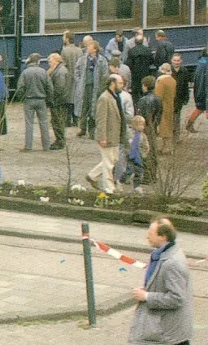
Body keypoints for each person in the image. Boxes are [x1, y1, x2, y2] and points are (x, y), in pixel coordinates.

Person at [128, 217, 193, 345]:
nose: (147, 236)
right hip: (163, 330)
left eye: (150, 234)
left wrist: (146, 296)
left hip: (168, 334)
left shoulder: (172, 263)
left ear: (162, 237)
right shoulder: (161, 255)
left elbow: (177, 298)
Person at [86, 74, 125, 194]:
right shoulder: (104, 98)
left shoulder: (115, 97)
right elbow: (101, 119)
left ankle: (92, 175)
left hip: (115, 135)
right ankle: (109, 187)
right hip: (107, 135)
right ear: (112, 83)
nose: (122, 86)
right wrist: (102, 137)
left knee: (113, 159)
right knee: (108, 163)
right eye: (120, 83)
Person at [17, 53, 52, 151]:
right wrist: (48, 99)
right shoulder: (43, 72)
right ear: (38, 61)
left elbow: (20, 87)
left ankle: (28, 146)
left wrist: (22, 98)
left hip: (29, 100)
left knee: (29, 123)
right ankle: (46, 146)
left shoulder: (25, 72)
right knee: (44, 123)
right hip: (41, 100)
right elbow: (49, 87)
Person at [74, 40, 109, 138]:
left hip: (96, 88)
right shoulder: (82, 59)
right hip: (84, 87)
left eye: (90, 46)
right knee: (83, 108)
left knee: (94, 108)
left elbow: (105, 74)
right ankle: (82, 128)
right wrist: (79, 81)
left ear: (95, 49)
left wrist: (101, 87)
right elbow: (76, 70)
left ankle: (92, 130)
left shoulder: (102, 60)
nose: (87, 48)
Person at [47, 53, 71, 150]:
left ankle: (60, 141)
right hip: (61, 99)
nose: (49, 63)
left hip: (59, 101)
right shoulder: (60, 70)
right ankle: (59, 140)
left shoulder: (60, 71)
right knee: (57, 121)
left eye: (50, 61)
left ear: (56, 61)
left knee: (57, 121)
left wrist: (52, 97)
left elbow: (59, 87)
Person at [121, 115, 150, 194]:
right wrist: (127, 152)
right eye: (138, 125)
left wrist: (144, 154)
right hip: (130, 155)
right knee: (129, 170)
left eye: (142, 125)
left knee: (139, 171)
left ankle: (136, 185)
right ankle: (121, 181)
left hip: (139, 157)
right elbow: (126, 144)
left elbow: (146, 146)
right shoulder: (129, 134)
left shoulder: (143, 136)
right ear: (133, 125)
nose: (141, 127)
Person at [60, 31, 83, 123]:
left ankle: (68, 119)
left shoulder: (65, 50)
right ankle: (76, 119)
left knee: (68, 98)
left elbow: (63, 65)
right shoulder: (79, 50)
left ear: (67, 39)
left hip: (68, 77)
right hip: (78, 77)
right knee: (76, 97)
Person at [154, 63, 177, 153]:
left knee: (164, 127)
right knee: (169, 125)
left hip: (163, 106)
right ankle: (167, 147)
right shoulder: (173, 80)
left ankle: (166, 147)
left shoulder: (161, 81)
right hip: (170, 105)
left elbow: (158, 96)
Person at [127, 29, 153, 102]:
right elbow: (151, 61)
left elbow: (129, 63)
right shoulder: (147, 50)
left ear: (135, 42)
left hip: (135, 75)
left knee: (135, 94)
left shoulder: (131, 51)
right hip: (145, 73)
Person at [186, 49, 208, 132]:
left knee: (199, 108)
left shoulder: (201, 63)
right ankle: (189, 125)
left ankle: (189, 124)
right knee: (200, 108)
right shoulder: (206, 65)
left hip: (199, 90)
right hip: (204, 92)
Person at [169, 53, 190, 139]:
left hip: (179, 98)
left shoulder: (184, 71)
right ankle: (169, 135)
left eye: (178, 60)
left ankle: (176, 136)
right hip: (169, 98)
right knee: (169, 118)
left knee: (177, 117)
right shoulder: (168, 71)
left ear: (181, 61)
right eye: (175, 60)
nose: (176, 62)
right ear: (171, 61)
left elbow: (186, 86)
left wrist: (186, 98)